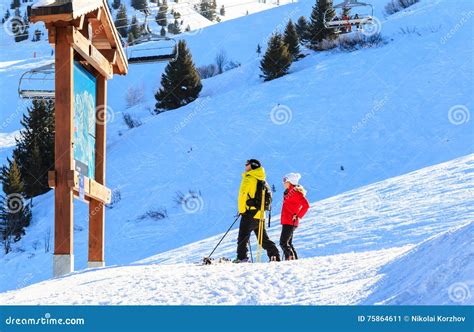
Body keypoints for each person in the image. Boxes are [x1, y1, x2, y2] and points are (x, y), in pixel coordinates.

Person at [235, 159, 280, 263]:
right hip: (260, 214)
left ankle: (242, 258)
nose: (245, 166)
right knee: (262, 238)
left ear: (252, 166)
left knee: (242, 237)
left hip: (249, 213)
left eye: (247, 164)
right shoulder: (262, 179)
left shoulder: (249, 178)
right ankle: (274, 254)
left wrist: (242, 210)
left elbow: (242, 195)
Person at [279, 173, 310, 260]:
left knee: (283, 242)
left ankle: (289, 259)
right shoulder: (288, 192)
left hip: (290, 221)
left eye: (285, 180)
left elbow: (306, 205)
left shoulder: (296, 193)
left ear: (291, 181)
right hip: (287, 220)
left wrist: (298, 216)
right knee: (288, 242)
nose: (283, 183)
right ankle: (294, 260)